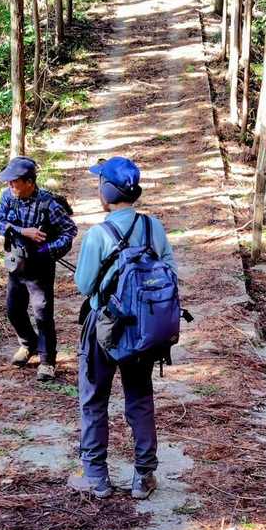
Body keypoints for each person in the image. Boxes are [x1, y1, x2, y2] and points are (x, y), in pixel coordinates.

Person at [69, 156, 176, 500]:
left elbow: (84, 285)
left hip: (104, 327)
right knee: (140, 399)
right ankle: (143, 476)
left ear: (107, 191)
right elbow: (170, 271)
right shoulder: (152, 227)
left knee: (94, 399)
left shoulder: (98, 235)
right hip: (144, 330)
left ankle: (96, 476)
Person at [0, 157, 77, 380]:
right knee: (14, 310)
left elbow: (70, 231)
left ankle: (47, 361)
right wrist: (22, 231)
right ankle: (29, 344)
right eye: (9, 181)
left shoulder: (49, 204)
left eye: (15, 181)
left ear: (29, 182)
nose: (10, 185)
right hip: (16, 264)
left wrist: (47, 249)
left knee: (42, 314)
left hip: (40, 268)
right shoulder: (8, 197)